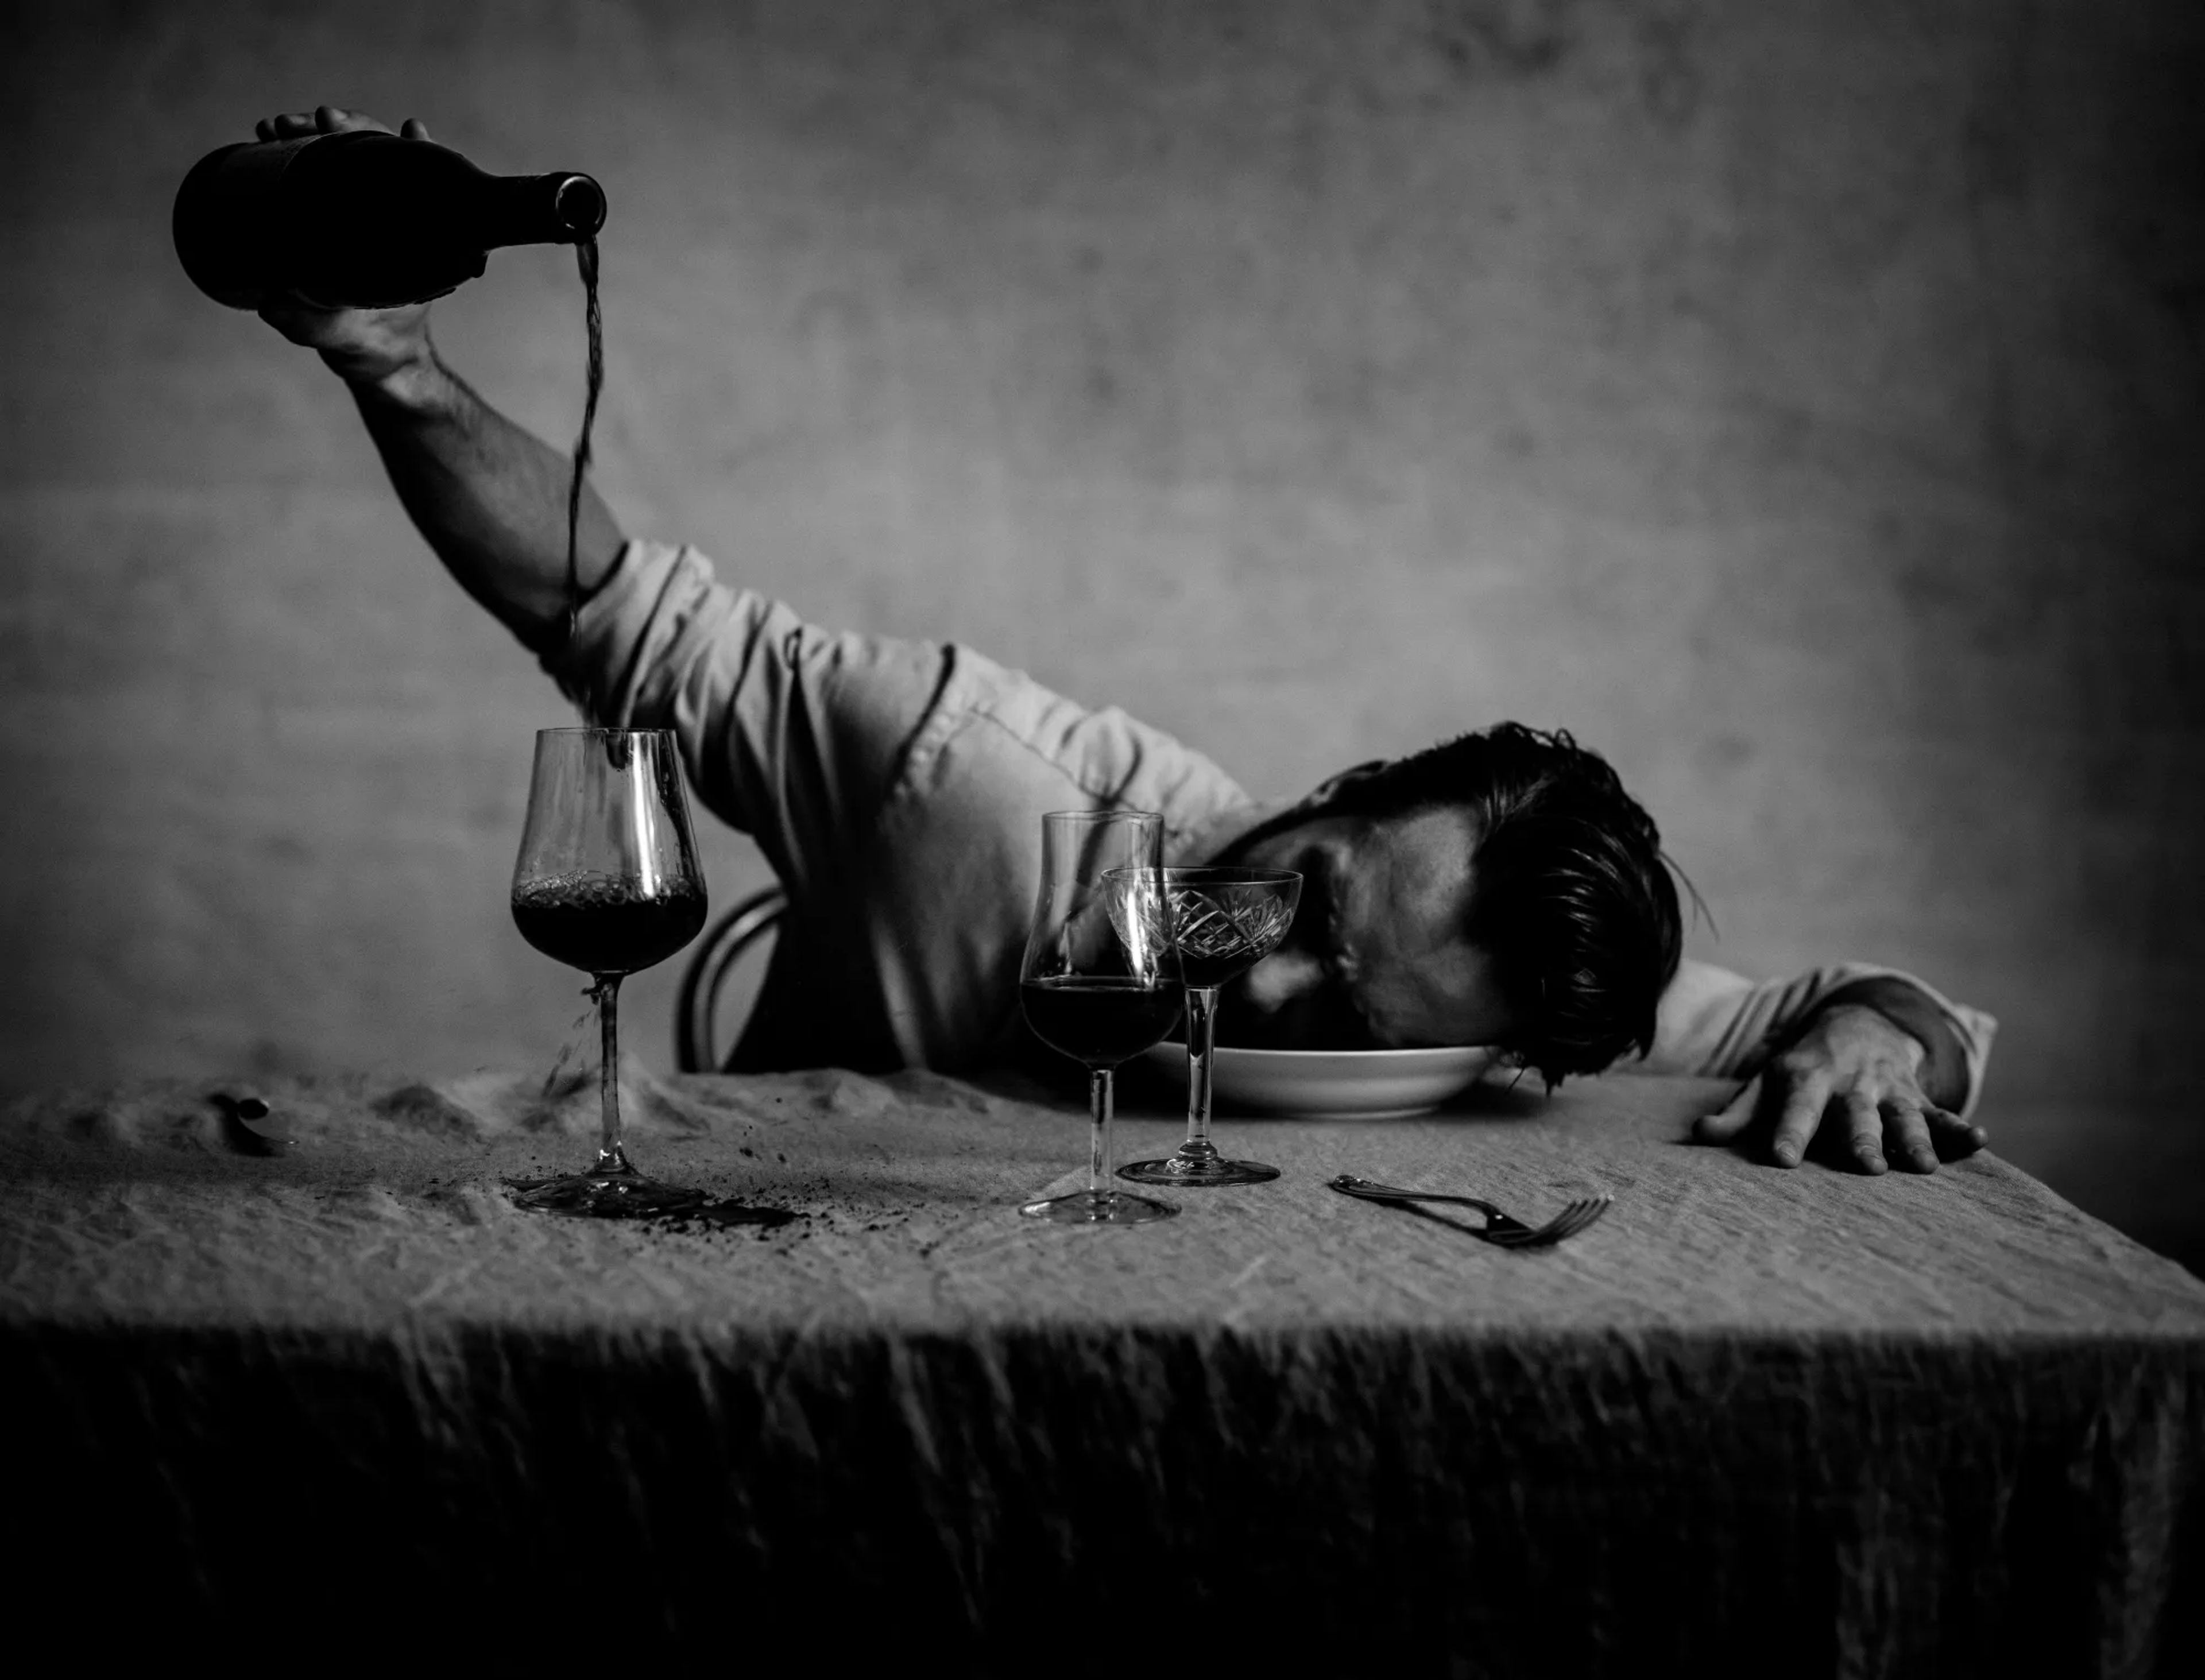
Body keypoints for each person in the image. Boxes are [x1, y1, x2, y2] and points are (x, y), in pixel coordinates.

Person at [250, 107, 1997, 1178]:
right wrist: (390, 363)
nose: (1272, 991)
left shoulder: (1500, 991)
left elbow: (1861, 1011)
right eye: (1311, 902)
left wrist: (1873, 1041)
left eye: (1357, 1022)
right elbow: (598, 602)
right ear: (1346, 789)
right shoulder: (959, 770)